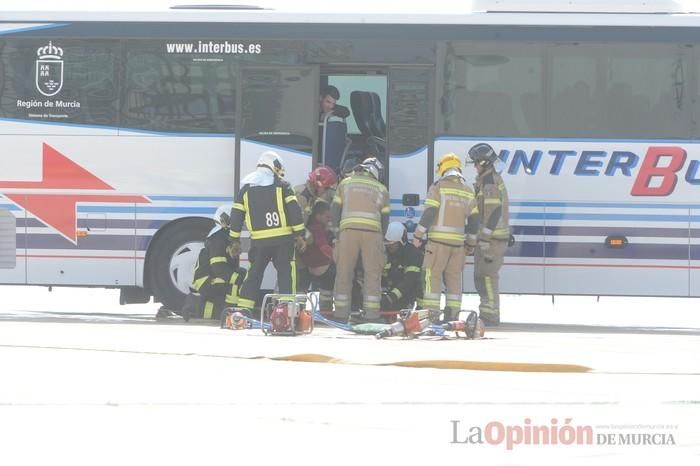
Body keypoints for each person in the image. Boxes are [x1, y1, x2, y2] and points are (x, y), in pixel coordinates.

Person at [228, 151, 305, 314]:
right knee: (286, 272)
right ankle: (287, 311)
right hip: (283, 241)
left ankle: (243, 311)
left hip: (259, 242)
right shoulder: (283, 186)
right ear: (275, 166)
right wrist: (300, 235)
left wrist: (234, 240)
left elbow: (235, 216)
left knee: (254, 273)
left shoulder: (246, 189)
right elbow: (294, 212)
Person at [412, 152, 479, 323]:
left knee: (431, 277)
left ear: (443, 169)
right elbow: (474, 221)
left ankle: (432, 317)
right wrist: (471, 244)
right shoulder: (468, 191)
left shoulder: (438, 187)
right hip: (458, 247)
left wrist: (418, 235)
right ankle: (453, 316)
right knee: (454, 280)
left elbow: (430, 212)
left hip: (437, 245)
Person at [331, 157, 390, 323]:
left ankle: (341, 314)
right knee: (372, 274)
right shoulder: (382, 189)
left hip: (348, 233)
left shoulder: (345, 184)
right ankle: (371, 315)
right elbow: (385, 219)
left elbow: (335, 209)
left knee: (344, 273)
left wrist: (337, 232)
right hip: (372, 234)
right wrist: (381, 238)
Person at [468, 143, 511, 326]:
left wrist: (484, 237)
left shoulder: (489, 182)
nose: (475, 167)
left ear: (484, 162)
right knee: (482, 276)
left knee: (487, 276)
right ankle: (488, 312)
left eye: (476, 163)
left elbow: (493, 212)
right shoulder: (487, 180)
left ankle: (491, 315)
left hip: (491, 240)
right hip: (491, 238)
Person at [190, 205, 247, 321]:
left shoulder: (223, 235)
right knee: (234, 285)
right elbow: (218, 266)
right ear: (224, 219)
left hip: (212, 277)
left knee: (241, 274)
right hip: (205, 280)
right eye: (235, 220)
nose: (238, 224)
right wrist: (235, 278)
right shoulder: (218, 238)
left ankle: (234, 312)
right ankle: (231, 315)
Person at [300, 201, 335, 313]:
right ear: (318, 215)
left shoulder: (309, 226)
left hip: (308, 267)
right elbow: (323, 247)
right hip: (323, 268)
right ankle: (326, 312)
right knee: (327, 291)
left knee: (301, 291)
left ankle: (299, 312)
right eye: (327, 216)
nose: (329, 219)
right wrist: (337, 257)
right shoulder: (317, 228)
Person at [381, 221, 424, 311]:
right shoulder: (389, 255)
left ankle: (420, 309)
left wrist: (391, 298)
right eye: (387, 245)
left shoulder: (413, 254)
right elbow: (384, 277)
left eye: (392, 245)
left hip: (407, 296)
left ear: (401, 241)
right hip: (392, 294)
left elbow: (409, 281)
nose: (389, 248)